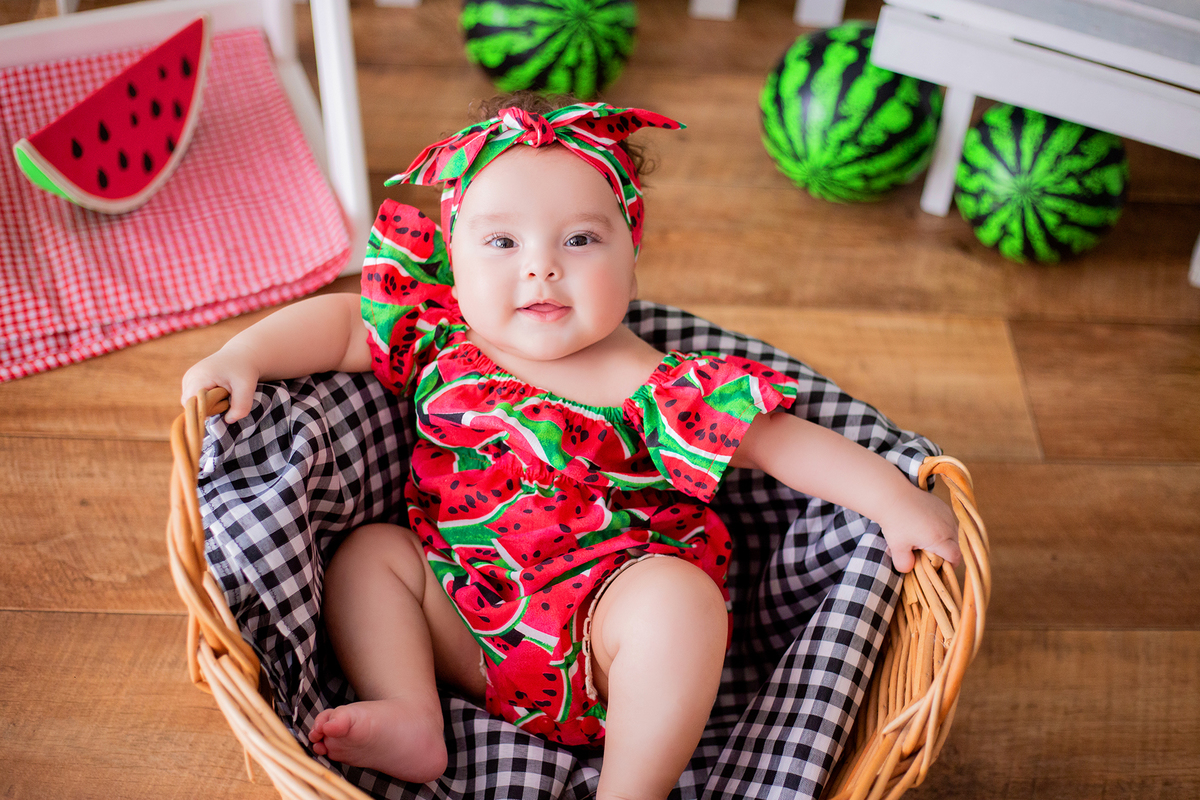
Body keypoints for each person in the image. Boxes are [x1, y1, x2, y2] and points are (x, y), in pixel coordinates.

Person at [181, 93, 960, 800]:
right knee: (368, 555)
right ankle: (412, 711)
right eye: (501, 241)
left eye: (581, 238)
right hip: (464, 624)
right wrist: (242, 357)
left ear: (632, 248)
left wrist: (894, 500)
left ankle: (631, 790)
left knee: (678, 603)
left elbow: (788, 447)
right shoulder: (437, 332)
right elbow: (344, 322)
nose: (540, 266)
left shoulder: (664, 386)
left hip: (605, 647)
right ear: (453, 251)